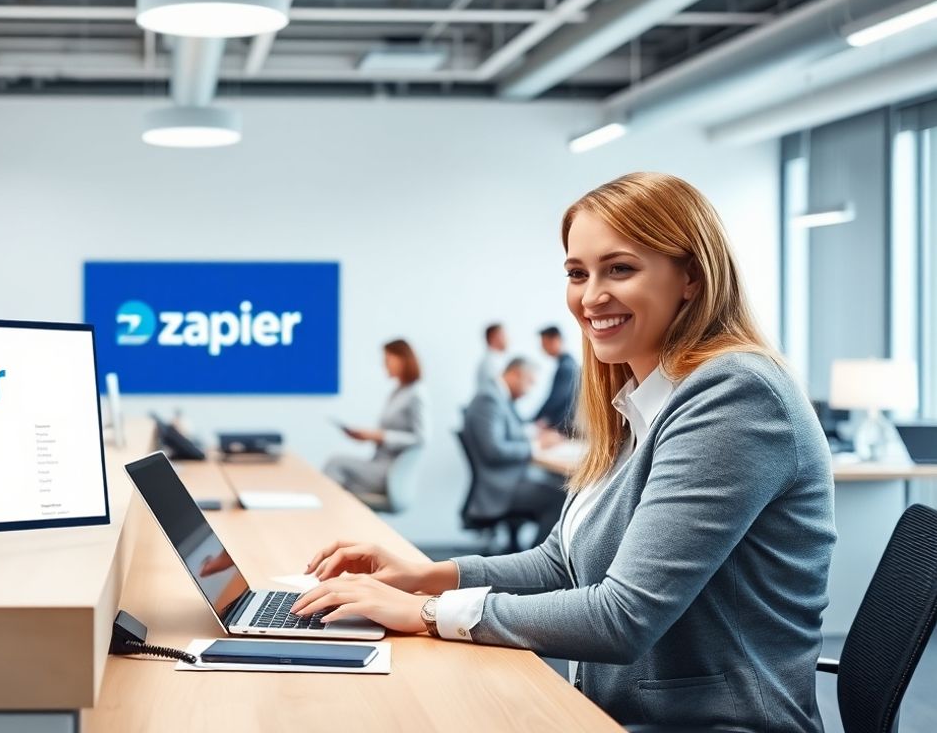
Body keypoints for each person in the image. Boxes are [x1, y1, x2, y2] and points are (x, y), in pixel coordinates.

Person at [293, 172, 835, 732]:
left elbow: (623, 617)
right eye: (578, 274)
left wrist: (427, 615)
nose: (591, 295)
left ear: (691, 277)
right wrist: (425, 576)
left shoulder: (735, 395)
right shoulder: (642, 402)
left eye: (619, 269)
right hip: (619, 712)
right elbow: (560, 563)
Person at [462, 358, 565, 550]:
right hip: (499, 488)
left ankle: (537, 562)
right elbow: (494, 450)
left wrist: (535, 434)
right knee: (560, 497)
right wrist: (536, 447)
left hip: (509, 479)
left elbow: (511, 430)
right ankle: (537, 567)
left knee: (558, 487)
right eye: (529, 382)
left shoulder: (498, 396)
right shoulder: (489, 398)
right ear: (515, 374)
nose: (529, 391)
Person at [324, 339, 428, 499]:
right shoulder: (398, 392)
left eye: (387, 360)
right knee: (341, 486)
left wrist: (382, 436)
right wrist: (367, 436)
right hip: (377, 462)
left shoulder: (416, 394)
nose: (384, 365)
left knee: (335, 464)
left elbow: (421, 438)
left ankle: (326, 518)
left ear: (402, 360)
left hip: (390, 470)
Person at [533, 326, 578, 436]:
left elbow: (557, 398)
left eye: (544, 344)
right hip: (563, 424)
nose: (542, 348)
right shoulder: (568, 363)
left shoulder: (566, 366)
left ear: (555, 340)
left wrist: (535, 418)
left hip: (563, 426)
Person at [476, 323, 508, 391]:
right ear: (493, 337)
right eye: (504, 335)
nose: (508, 339)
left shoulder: (496, 359)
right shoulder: (491, 362)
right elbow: (500, 389)